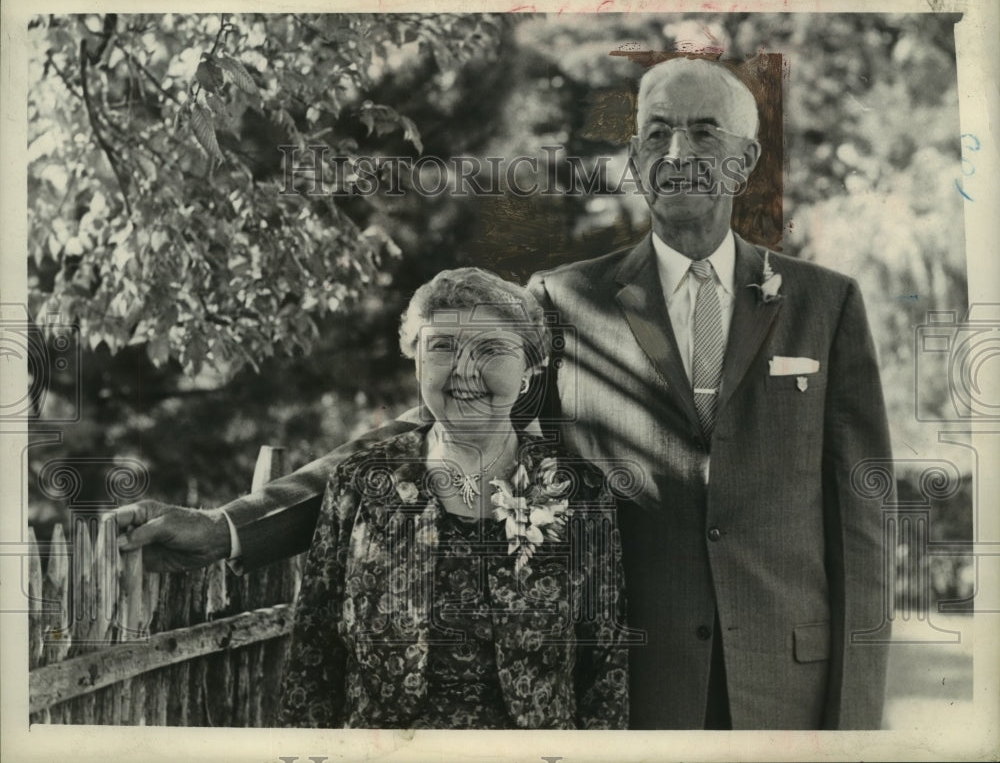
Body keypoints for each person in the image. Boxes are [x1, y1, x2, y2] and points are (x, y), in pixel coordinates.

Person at [112, 57, 892, 729]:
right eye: (657, 132)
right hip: (636, 686)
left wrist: (855, 721)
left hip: (789, 689)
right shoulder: (568, 300)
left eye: (702, 132)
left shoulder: (826, 304)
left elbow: (863, 525)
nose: (678, 152)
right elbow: (426, 429)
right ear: (633, 155)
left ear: (745, 159)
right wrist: (230, 526)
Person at [276, 268, 630, 728]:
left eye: (491, 349)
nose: (464, 370)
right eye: (442, 347)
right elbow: (312, 661)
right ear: (417, 362)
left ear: (528, 370)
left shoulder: (578, 492)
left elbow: (606, 669)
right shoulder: (361, 482)